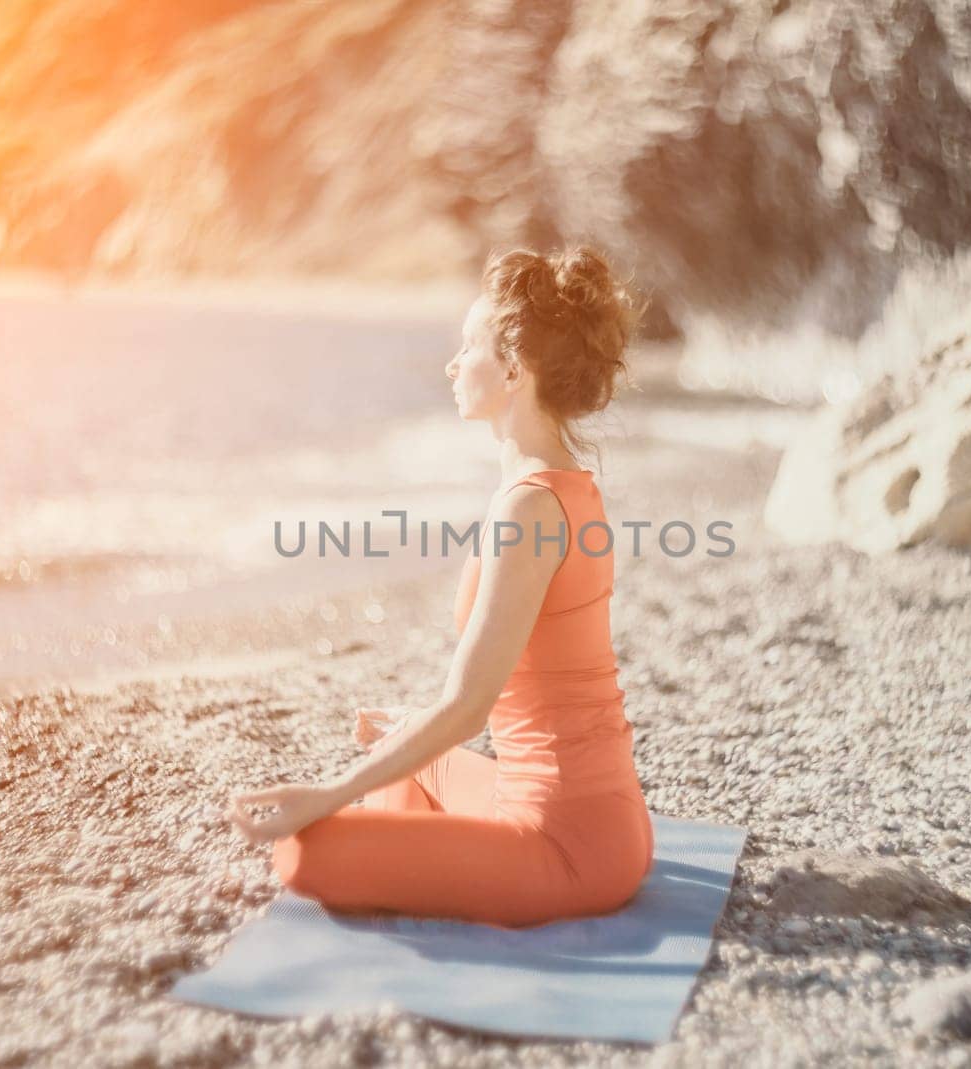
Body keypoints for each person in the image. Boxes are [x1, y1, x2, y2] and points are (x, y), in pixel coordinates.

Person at [227, 245, 652, 928]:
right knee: (394, 749)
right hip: (606, 820)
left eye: (468, 347)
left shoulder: (528, 508)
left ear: (513, 368)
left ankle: (389, 835)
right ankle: (401, 817)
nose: (454, 365)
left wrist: (327, 795)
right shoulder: (562, 484)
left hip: (567, 846)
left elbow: (469, 704)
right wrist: (398, 742)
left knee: (304, 854)